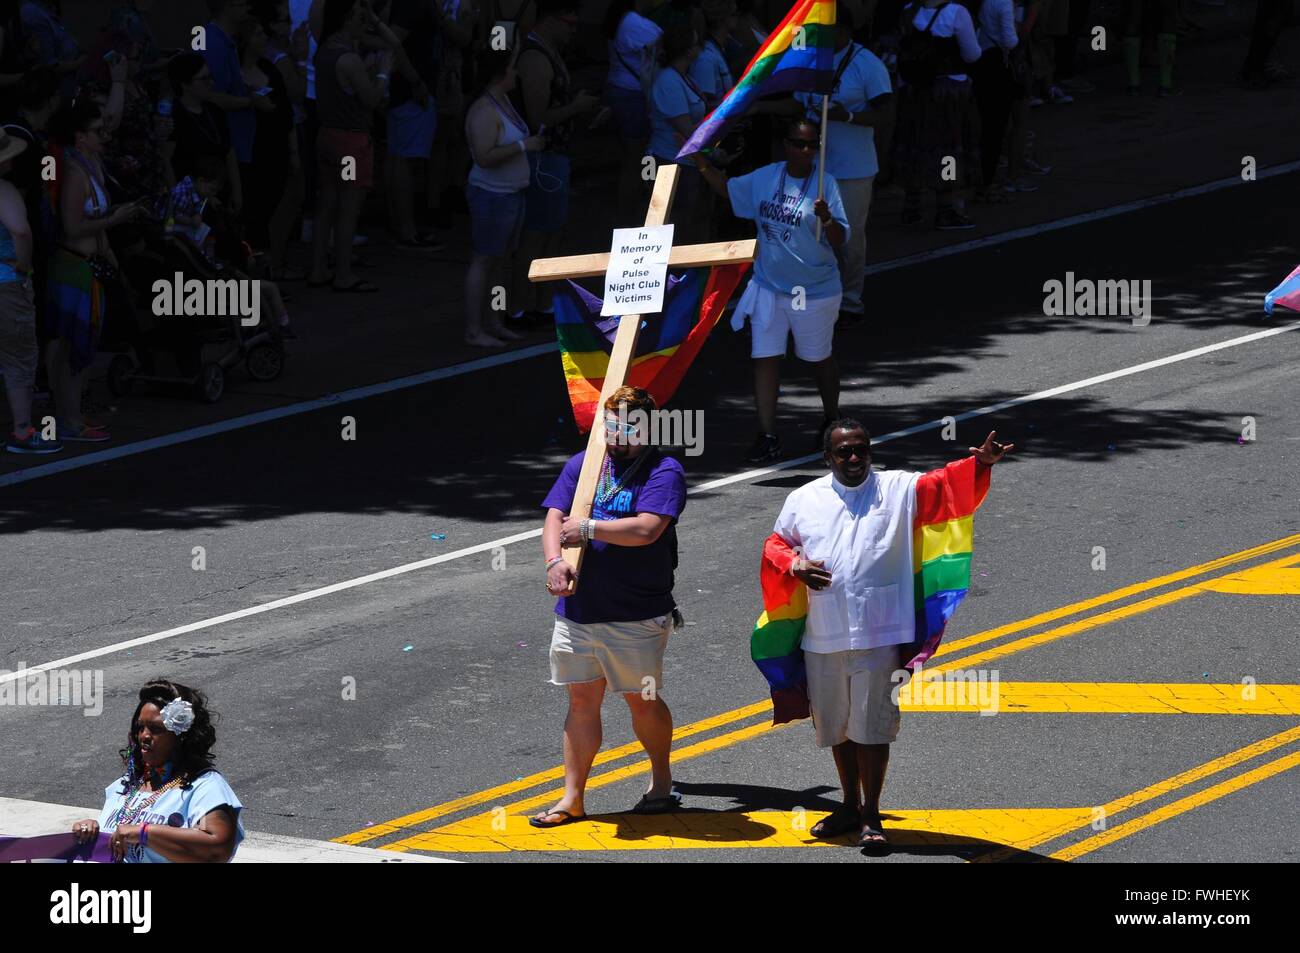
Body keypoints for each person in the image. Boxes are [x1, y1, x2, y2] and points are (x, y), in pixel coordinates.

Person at [763, 421, 1012, 847]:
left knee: (873, 728)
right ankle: (847, 804)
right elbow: (776, 544)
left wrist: (980, 464)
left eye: (861, 449)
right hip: (823, 635)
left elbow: (946, 488)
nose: (855, 458)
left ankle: (872, 815)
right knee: (838, 729)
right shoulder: (803, 499)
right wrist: (795, 566)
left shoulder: (898, 488)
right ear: (828, 458)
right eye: (844, 452)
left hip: (881, 634)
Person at [534, 385, 687, 826]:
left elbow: (646, 529)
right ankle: (572, 798)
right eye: (613, 425)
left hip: (635, 613)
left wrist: (590, 530)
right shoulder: (585, 465)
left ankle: (661, 781)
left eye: (630, 426)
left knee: (641, 699)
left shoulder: (664, 469)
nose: (620, 435)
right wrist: (553, 562)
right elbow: (554, 517)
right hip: (579, 611)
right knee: (581, 702)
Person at [693, 117, 849, 465]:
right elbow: (728, 188)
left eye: (811, 145)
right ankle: (767, 435)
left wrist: (826, 218)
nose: (804, 150)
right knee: (764, 359)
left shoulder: (826, 185)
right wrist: (700, 162)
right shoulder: (766, 177)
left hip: (814, 290)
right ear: (785, 145)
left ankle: (831, 417)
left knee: (818, 358)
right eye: (797, 143)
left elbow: (840, 240)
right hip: (768, 286)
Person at [46, 98, 148, 443]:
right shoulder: (75, 172)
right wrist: (113, 219)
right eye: (95, 131)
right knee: (75, 349)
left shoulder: (90, 162)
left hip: (90, 266)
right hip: (74, 267)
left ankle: (71, 416)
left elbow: (91, 222)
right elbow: (73, 226)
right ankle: (70, 422)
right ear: (79, 136)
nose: (103, 135)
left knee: (78, 349)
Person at [71, 679, 246, 863]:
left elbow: (217, 850)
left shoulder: (204, 787)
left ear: (182, 736)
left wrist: (145, 833)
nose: (144, 736)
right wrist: (92, 831)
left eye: (156, 729)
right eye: (140, 727)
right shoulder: (126, 785)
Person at [794, 18, 892, 327]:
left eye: (829, 30)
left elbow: (886, 115)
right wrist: (753, 105)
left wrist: (847, 116)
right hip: (816, 166)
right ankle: (821, 296)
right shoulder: (811, 60)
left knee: (849, 236)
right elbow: (797, 105)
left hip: (854, 168)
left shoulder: (867, 63)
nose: (821, 36)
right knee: (812, 232)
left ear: (846, 31)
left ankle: (850, 300)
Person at [509, 0, 597, 322]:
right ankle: (519, 306)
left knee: (552, 232)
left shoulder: (550, 50)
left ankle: (542, 303)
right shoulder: (535, 56)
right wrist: (576, 107)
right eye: (569, 23)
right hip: (542, 159)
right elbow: (538, 117)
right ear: (551, 20)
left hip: (555, 156)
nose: (573, 30)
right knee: (536, 234)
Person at [307, 0, 397, 293]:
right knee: (348, 210)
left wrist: (372, 18)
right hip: (350, 141)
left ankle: (318, 268)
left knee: (326, 205)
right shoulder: (348, 58)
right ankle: (344, 273)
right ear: (347, 19)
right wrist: (383, 73)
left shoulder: (325, 50)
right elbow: (371, 98)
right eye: (359, 16)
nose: (364, 22)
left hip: (327, 135)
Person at [463, 47, 543, 346]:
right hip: (491, 196)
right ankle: (474, 330)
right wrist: (525, 147)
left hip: (511, 194)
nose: (517, 73)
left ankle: (493, 321)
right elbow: (484, 157)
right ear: (500, 74)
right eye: (512, 68)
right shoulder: (484, 110)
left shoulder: (504, 101)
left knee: (499, 262)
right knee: (484, 260)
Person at [892, 0, 982, 230]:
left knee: (914, 145)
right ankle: (946, 209)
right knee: (948, 151)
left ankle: (911, 207)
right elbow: (972, 54)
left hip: (913, 91)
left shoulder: (908, 10)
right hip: (947, 92)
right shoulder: (956, 13)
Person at [0, 128, 59, 453]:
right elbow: (21, 232)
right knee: (18, 357)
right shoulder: (4, 190)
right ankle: (22, 431)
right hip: (6, 283)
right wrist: (23, 268)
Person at [237, 14, 297, 257]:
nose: (265, 38)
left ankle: (272, 261)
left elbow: (286, 114)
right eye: (259, 34)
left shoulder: (270, 69)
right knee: (252, 208)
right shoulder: (234, 75)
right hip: (250, 151)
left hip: (276, 148)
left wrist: (294, 152)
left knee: (275, 202)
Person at [384, 0, 442, 251]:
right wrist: (415, 81)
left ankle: (400, 225)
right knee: (404, 160)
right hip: (411, 92)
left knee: (399, 157)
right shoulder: (413, 5)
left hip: (405, 89)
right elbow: (392, 42)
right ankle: (406, 230)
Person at [648, 22, 710, 243]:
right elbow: (686, 130)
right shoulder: (668, 81)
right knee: (671, 225)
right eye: (696, 42)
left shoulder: (684, 77)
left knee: (687, 222)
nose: (701, 46)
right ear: (687, 49)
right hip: (669, 163)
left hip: (687, 162)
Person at [603, 0, 662, 223]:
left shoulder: (621, 19)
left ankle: (629, 215)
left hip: (624, 93)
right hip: (633, 97)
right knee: (637, 160)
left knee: (633, 159)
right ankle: (631, 218)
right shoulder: (633, 22)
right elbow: (669, 46)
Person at [163, 54, 241, 210]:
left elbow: (229, 153)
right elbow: (165, 161)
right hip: (189, 200)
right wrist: (177, 200)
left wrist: (237, 192)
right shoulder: (172, 116)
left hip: (219, 193)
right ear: (185, 84)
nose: (211, 83)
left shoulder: (215, 112)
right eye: (204, 79)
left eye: (210, 77)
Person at [972, 0, 1018, 204]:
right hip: (998, 65)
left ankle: (980, 178)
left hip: (980, 63)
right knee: (995, 128)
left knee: (983, 125)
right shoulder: (1004, 3)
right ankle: (987, 182)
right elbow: (1010, 41)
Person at [20, 0, 83, 102]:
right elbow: (49, 63)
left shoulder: (47, 9)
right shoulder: (33, 12)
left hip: (65, 91)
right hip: (53, 96)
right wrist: (80, 62)